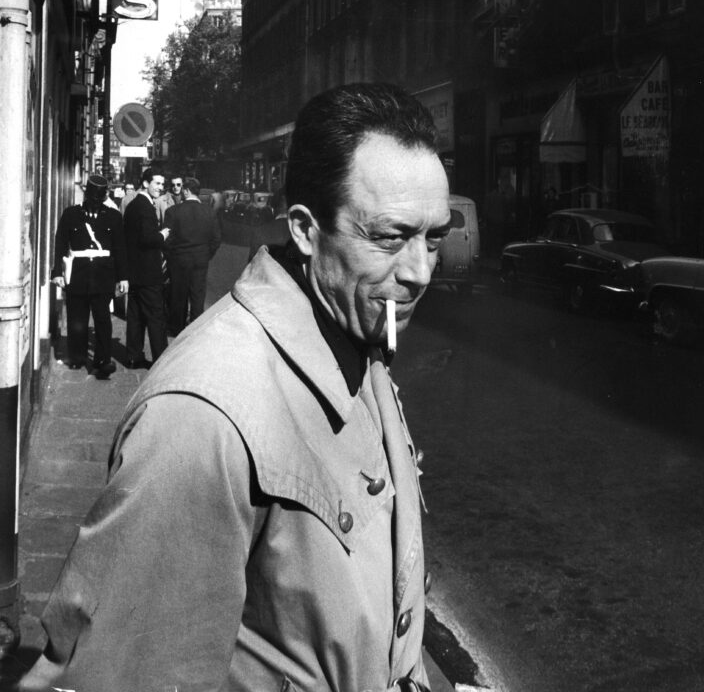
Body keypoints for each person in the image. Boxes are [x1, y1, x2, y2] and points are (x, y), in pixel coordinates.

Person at [20, 83, 451, 692]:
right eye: (389, 237)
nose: (419, 272)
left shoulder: (358, 336)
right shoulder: (203, 416)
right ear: (304, 230)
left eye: (433, 237)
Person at [51, 175, 128, 379]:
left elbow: (120, 248)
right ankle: (77, 357)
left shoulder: (113, 216)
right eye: (92, 198)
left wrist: (123, 278)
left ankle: (103, 360)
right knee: (77, 318)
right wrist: (57, 273)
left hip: (103, 275)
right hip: (78, 273)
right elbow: (60, 243)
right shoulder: (71, 214)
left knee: (103, 319)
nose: (95, 203)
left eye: (98, 199)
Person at [123, 167, 169, 368]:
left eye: (162, 184)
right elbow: (147, 238)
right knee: (156, 316)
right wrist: (163, 235)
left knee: (135, 316)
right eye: (157, 183)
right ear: (145, 183)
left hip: (134, 272)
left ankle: (134, 356)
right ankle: (161, 361)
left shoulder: (133, 206)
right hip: (149, 273)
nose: (161, 187)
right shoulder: (146, 207)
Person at [163, 176, 221, 336]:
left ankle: (176, 328)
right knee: (198, 294)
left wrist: (172, 256)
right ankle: (195, 328)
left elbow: (167, 240)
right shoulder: (209, 212)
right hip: (201, 259)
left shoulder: (173, 212)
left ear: (186, 191)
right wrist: (206, 254)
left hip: (179, 259)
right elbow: (216, 238)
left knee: (178, 295)